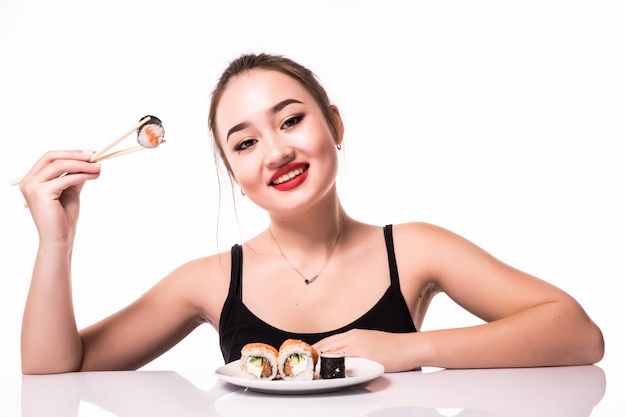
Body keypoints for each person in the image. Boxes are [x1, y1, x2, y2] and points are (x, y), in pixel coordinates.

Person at [19, 53, 604, 375]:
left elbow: (578, 335)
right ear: (235, 176)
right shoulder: (210, 280)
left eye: (291, 119)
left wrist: (410, 349)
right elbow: (54, 371)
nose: (276, 151)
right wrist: (56, 243)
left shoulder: (417, 249)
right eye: (244, 143)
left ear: (335, 125)